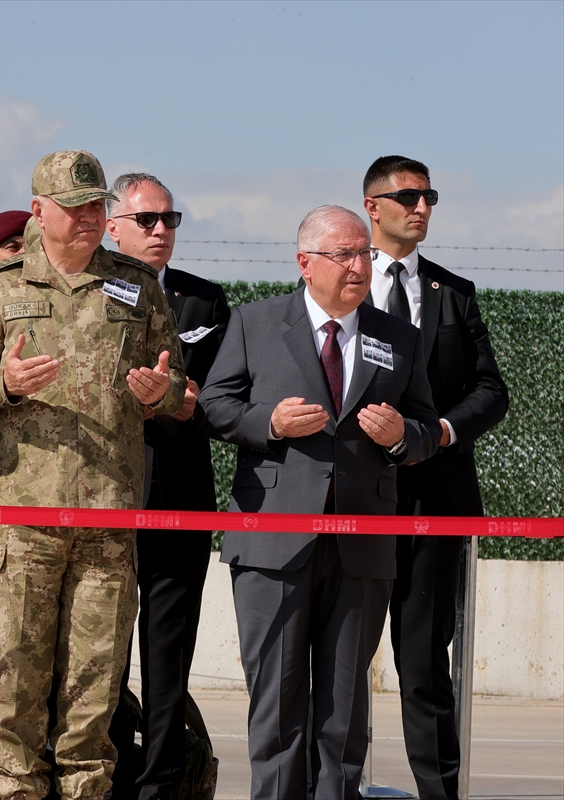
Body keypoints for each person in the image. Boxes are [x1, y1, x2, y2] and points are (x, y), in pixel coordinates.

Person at [0, 150, 186, 800]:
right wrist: (5, 383)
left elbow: (176, 384)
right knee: (14, 690)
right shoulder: (1, 288)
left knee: (94, 694)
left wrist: (159, 392)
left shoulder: (137, 287)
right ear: (39, 211)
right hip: (23, 526)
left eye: (96, 205)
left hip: (107, 525)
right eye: (75, 206)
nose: (88, 216)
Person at [199, 205, 441, 799]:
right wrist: (270, 422)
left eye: (364, 253)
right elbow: (214, 406)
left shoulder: (397, 337)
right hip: (274, 541)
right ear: (305, 263)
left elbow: (426, 427)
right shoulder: (255, 323)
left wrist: (401, 438)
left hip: (361, 547)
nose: (359, 265)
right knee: (277, 702)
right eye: (344, 254)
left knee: (344, 707)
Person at [363, 156, 508, 800]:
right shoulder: (334, 284)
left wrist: (442, 433)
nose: (421, 207)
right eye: (408, 196)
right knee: (337, 660)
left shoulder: (455, 292)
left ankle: (437, 791)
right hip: (353, 497)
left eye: (430, 197)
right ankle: (332, 784)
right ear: (373, 206)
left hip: (435, 496)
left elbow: (489, 389)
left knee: (423, 662)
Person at [105, 173, 230, 800]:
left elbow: (213, 400)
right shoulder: (87, 296)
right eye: (147, 220)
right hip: (103, 501)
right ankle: (99, 776)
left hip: (178, 501)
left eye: (170, 220)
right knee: (98, 659)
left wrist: (174, 399)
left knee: (167, 659)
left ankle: (160, 783)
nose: (161, 231)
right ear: (112, 225)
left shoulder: (206, 304)